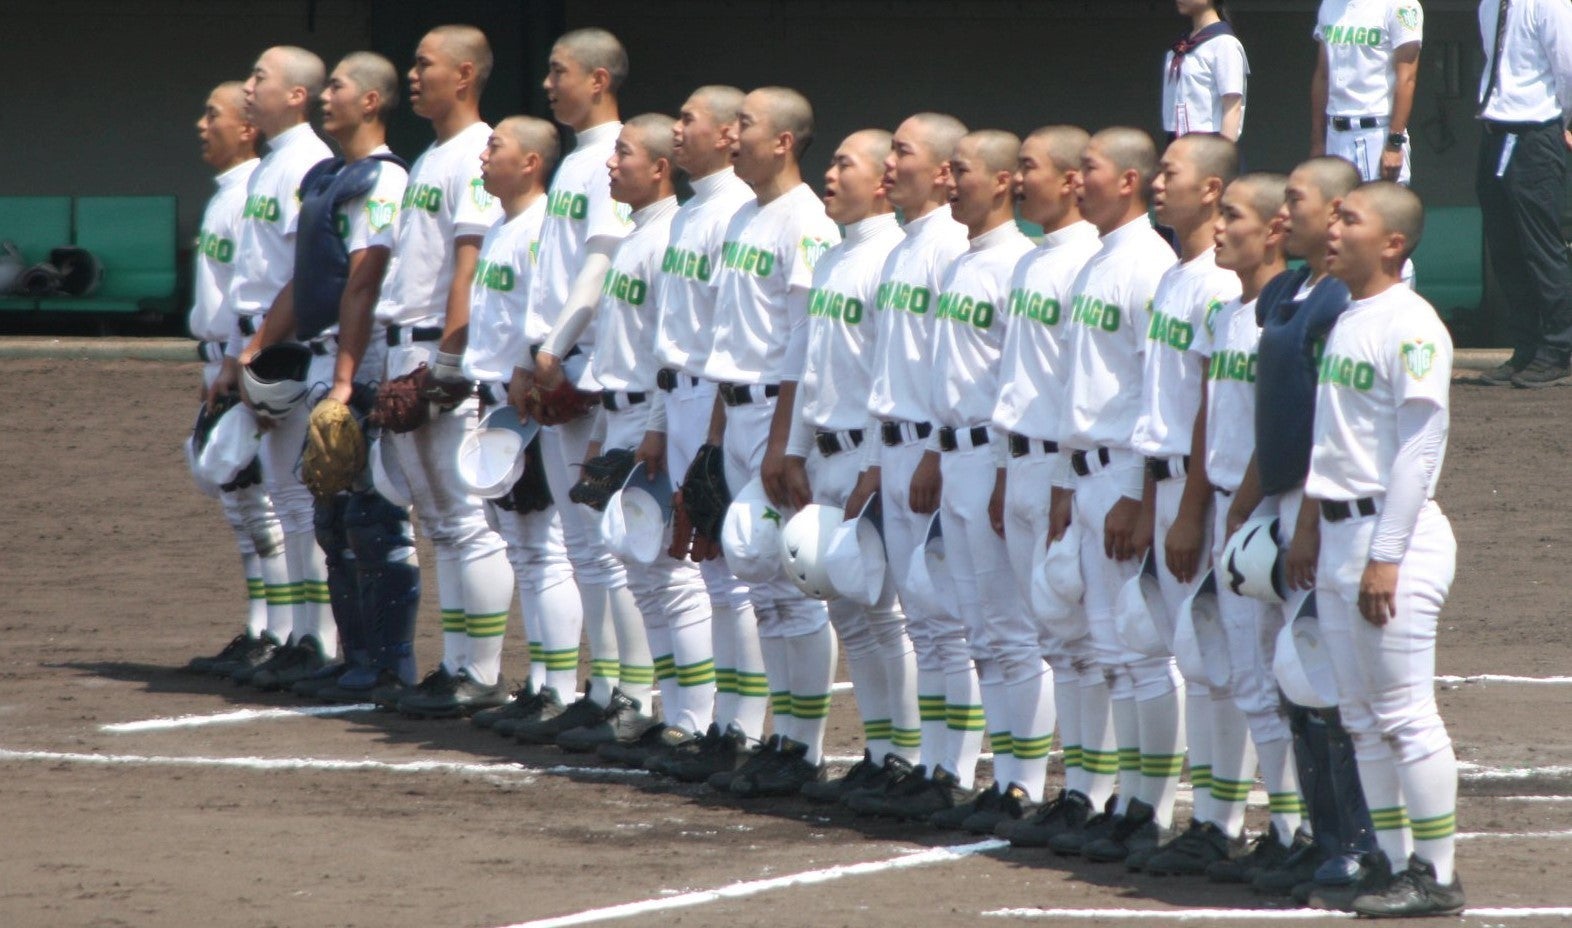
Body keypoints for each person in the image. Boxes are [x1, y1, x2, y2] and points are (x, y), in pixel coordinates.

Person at [1226, 156, 1380, 908]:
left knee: (1322, 681)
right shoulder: (1288, 293)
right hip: (1280, 500)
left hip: (1316, 508)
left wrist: (1310, 523)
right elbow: (1275, 413)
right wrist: (1249, 500)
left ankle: (1356, 844)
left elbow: (1331, 427)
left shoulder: (1343, 306)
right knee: (1293, 680)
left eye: (1295, 200)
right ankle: (1320, 839)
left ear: (1339, 208)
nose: (1282, 214)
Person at [1309, 180, 1463, 918]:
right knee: (1360, 715)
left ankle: (1436, 874)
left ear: (1393, 244)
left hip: (1390, 538)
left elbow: (1419, 445)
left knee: (1404, 713)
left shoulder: (1411, 323)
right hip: (1343, 535)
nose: (1332, 228)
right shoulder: (1349, 315)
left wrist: (1387, 553)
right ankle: (1392, 864)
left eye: (1349, 219)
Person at [246, 51, 418, 701]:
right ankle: (355, 655)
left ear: (370, 101)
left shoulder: (382, 181)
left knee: (372, 519)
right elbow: (308, 278)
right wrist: (258, 347)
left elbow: (364, 282)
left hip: (363, 355)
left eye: (338, 87)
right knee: (332, 518)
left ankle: (391, 661)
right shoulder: (327, 178)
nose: (327, 97)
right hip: (327, 355)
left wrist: (347, 380)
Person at [702, 86, 842, 795]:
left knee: (792, 583)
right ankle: (782, 738)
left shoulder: (806, 221)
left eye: (746, 125)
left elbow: (803, 343)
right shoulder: (743, 218)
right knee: (760, 584)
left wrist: (785, 441)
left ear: (784, 141)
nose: (732, 136)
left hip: (779, 418)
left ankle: (804, 747)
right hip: (739, 410)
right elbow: (733, 342)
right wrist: (716, 434)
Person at [512, 28, 650, 744]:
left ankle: (632, 692)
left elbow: (600, 264)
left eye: (559, 71)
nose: (547, 83)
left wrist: (554, 348)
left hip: (587, 368)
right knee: (583, 542)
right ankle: (604, 688)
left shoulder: (615, 155)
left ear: (598, 80)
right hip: (561, 361)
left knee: (606, 540)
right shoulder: (579, 162)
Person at [371, 25, 513, 717]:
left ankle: (480, 672)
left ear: (463, 75)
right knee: (438, 519)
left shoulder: (473, 155)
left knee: (466, 518)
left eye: (424, 63)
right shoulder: (431, 157)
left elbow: (470, 267)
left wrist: (450, 365)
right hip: (408, 347)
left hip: (437, 349)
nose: (413, 74)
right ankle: (456, 665)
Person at [1047, 127, 1178, 859]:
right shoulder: (1100, 261)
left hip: (1125, 473)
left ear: (1127, 180)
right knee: (1107, 647)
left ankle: (1149, 809)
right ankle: (1126, 799)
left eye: (1088, 170)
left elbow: (1155, 392)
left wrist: (1136, 490)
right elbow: (1083, 388)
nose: (1077, 181)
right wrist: (1068, 484)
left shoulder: (1147, 267)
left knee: (1139, 650)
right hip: (1090, 474)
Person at [779, 128, 918, 803]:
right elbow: (812, 372)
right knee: (851, 615)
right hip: (828, 455)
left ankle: (909, 760)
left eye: (844, 163)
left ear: (882, 181)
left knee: (886, 613)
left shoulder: (889, 258)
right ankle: (883, 750)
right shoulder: (835, 259)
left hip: (868, 455)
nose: (829, 174)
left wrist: (873, 466)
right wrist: (795, 449)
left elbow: (893, 376)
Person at [841, 113, 972, 817]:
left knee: (947, 621)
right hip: (891, 447)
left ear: (945, 169)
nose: (889, 163)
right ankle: (926, 762)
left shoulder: (949, 246)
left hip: (930, 448)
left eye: (902, 151)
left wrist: (932, 453)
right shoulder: (901, 247)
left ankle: (952, 771)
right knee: (922, 617)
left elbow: (952, 370)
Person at [563, 113, 704, 756]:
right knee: (641, 574)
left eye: (623, 154)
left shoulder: (670, 236)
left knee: (670, 575)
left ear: (660, 167)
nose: (611, 164)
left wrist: (651, 430)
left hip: (655, 417)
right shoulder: (632, 239)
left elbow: (665, 356)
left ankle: (692, 720)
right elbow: (621, 350)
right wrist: (598, 431)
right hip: (620, 414)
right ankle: (663, 712)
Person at [1128, 132, 1244, 875]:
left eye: (1170, 173)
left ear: (1210, 190)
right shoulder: (1173, 277)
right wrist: (1150, 499)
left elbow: (1211, 409)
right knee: (1184, 655)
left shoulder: (1218, 283)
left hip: (1198, 490)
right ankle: (1198, 815)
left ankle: (1222, 820)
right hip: (1166, 482)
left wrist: (1190, 509)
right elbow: (1158, 406)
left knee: (1213, 662)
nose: (1157, 184)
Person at [919, 129, 1038, 828]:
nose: (949, 179)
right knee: (980, 632)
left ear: (1000, 182)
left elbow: (1014, 385)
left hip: (993, 457)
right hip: (955, 456)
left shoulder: (1013, 264)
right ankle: (998, 776)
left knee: (1010, 630)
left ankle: (1022, 782)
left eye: (960, 170)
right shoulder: (963, 263)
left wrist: (998, 469)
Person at [1194, 172, 1309, 884]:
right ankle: (1285, 830)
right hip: (1228, 512)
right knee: (1246, 676)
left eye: (1231, 216)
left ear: (1273, 230)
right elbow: (1211, 418)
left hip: (1266, 517)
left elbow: (1289, 420)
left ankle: (1300, 832)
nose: (1217, 227)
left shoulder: (1288, 313)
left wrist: (1244, 500)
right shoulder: (1225, 313)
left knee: (1283, 678)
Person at [646, 86, 763, 783]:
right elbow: (675, 336)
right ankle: (722, 721)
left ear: (725, 135)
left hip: (720, 405)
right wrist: (663, 426)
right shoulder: (692, 215)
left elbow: (730, 337)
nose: (677, 128)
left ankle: (742, 729)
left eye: (688, 119)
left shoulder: (733, 216)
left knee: (738, 574)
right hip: (684, 401)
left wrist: (712, 440)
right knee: (712, 571)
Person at [991, 125, 1102, 847]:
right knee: (1057, 639)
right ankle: (1072, 788)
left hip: (1066, 470)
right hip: (1020, 463)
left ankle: (1098, 791)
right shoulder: (1035, 262)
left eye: (1028, 167)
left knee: (1090, 640)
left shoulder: (1082, 264)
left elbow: (1079, 388)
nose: (1017, 178)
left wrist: (1063, 476)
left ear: (1069, 181)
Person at [215, 46, 335, 686]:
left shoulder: (309, 163)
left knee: (300, 500)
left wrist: (256, 350)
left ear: (296, 95)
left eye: (261, 76)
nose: (250, 84)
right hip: (259, 341)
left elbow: (301, 275)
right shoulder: (270, 165)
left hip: (286, 348)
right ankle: (294, 635)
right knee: (285, 499)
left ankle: (318, 641)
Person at [459, 116, 583, 734]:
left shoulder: (541, 228)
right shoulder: (506, 225)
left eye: (496, 147)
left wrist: (527, 386)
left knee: (542, 547)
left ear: (531, 162)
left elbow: (545, 322)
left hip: (526, 402)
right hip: (498, 397)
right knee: (523, 545)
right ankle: (544, 682)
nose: (484, 157)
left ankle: (556, 687)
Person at [183, 81, 282, 679]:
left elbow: (260, 291)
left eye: (211, 114)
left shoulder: (254, 194)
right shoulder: (229, 194)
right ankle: (261, 626)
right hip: (221, 359)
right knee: (241, 502)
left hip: (242, 359)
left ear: (247, 128)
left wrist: (238, 360)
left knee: (261, 502)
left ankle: (281, 632)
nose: (202, 124)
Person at [1474, 0, 1572, 387]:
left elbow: (1566, 63)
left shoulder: (1549, 3)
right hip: (1496, 127)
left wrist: (1567, 120)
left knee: (1540, 244)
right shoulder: (1489, 5)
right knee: (1504, 245)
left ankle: (1557, 347)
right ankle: (1525, 346)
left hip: (1536, 128)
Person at [1311, 0, 1423, 185]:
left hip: (1376, 131)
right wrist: (1317, 140)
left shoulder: (1400, 5)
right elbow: (1323, 75)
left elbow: (1407, 79)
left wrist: (1394, 142)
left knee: (1378, 210)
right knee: (1334, 210)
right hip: (1334, 132)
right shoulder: (1330, 5)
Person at [1163, 0, 1249, 141]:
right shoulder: (1181, 45)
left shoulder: (1224, 44)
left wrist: (1222, 154)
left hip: (1209, 143)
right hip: (1177, 138)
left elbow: (1233, 107)